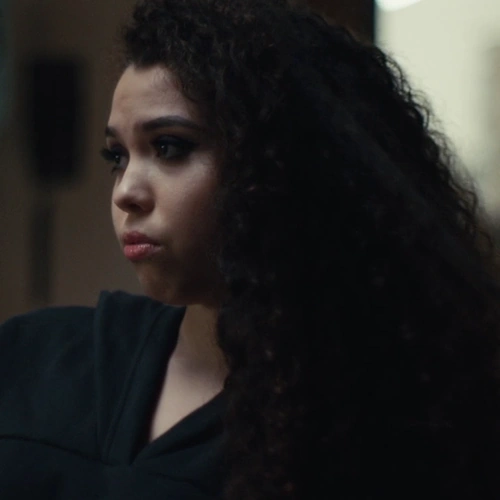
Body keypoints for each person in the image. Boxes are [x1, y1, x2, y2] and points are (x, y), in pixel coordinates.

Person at [2, 0, 500, 498]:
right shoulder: (35, 357)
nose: (126, 191)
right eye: (117, 156)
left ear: (279, 166)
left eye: (170, 147)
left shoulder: (380, 427)